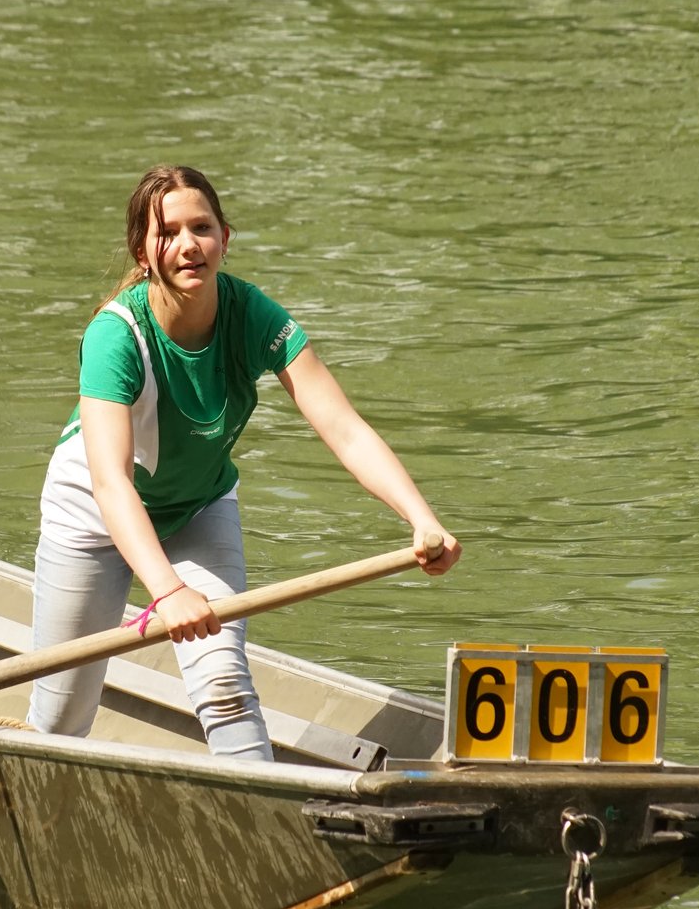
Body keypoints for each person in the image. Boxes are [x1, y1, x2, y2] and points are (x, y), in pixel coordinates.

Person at [27, 165, 460, 761]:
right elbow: (111, 482)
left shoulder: (254, 315)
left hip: (197, 508)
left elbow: (344, 429)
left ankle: (268, 810)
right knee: (60, 717)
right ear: (142, 252)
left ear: (224, 238)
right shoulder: (115, 335)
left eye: (201, 228)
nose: (188, 245)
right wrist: (167, 590)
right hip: (93, 517)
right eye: (168, 233)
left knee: (224, 683)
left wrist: (422, 518)